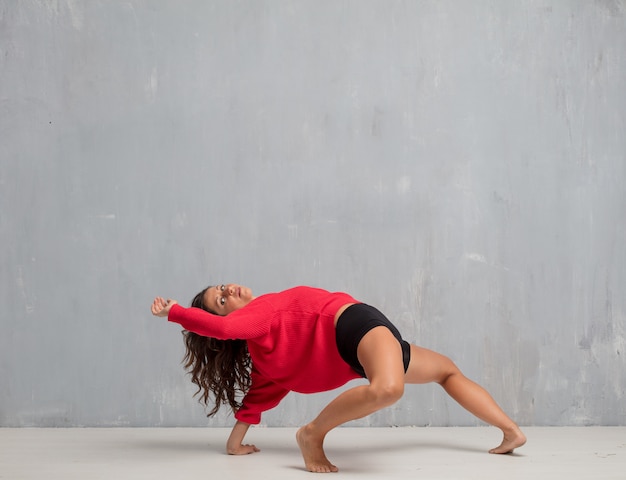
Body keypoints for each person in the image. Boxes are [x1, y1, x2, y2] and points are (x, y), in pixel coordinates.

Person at [150, 284, 526, 473]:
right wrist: (176, 313)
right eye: (222, 298)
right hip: (358, 342)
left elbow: (249, 388)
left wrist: (234, 445)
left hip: (354, 326)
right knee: (392, 386)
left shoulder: (266, 321)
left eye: (222, 285)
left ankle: (511, 431)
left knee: (443, 371)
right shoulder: (259, 335)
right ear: (226, 318)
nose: (229, 289)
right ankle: (312, 434)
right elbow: (256, 398)